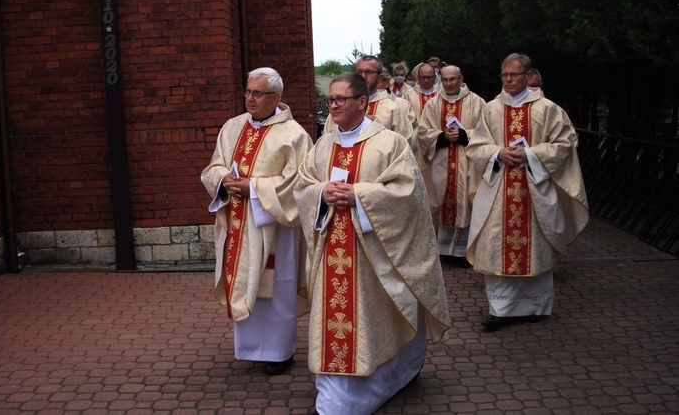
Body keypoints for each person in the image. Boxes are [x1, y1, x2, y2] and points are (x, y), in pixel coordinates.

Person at [294, 72, 451, 415]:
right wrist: (322, 193)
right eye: (330, 100)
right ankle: (338, 398)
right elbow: (303, 187)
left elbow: (408, 194)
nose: (332, 106)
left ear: (362, 102)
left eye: (339, 100)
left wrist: (359, 196)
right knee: (337, 325)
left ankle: (393, 376)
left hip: (373, 254)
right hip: (332, 249)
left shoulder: (389, 143)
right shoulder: (323, 144)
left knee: (376, 320)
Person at [200, 67, 313, 374]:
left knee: (276, 289)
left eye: (258, 93)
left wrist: (254, 187)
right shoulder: (232, 127)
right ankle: (251, 347)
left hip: (275, 226)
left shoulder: (295, 135)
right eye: (248, 92)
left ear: (276, 97)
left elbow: (300, 183)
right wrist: (224, 180)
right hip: (239, 224)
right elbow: (213, 166)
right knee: (246, 282)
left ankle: (280, 352)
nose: (250, 98)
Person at [466, 53, 589, 331]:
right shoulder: (491, 110)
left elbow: (565, 144)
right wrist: (498, 153)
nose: (509, 80)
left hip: (535, 190)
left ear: (527, 76)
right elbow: (475, 146)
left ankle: (536, 305)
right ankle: (500, 309)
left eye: (515, 75)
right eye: (504, 75)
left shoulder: (548, 109)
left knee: (536, 246)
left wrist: (530, 154)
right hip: (499, 190)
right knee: (497, 247)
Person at [417, 65, 485, 268]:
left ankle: (463, 252)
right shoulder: (433, 104)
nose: (449, 84)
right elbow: (423, 132)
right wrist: (442, 136)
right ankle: (444, 250)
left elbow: (486, 131)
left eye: (453, 79)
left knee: (466, 202)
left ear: (461, 78)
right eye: (445, 80)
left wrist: (465, 135)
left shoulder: (477, 102)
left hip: (466, 161)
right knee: (443, 199)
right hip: (442, 161)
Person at [322, 55, 413, 143]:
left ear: (380, 77)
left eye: (369, 72)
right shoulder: (340, 107)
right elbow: (329, 140)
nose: (363, 76)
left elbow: (404, 143)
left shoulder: (392, 109)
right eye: (359, 72)